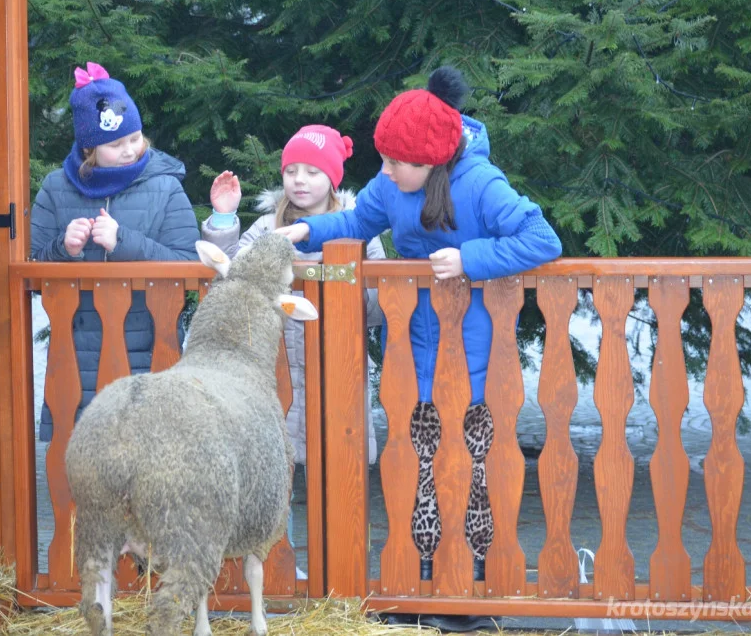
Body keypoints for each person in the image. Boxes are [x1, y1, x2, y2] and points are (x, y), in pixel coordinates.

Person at [276, 67, 562, 630]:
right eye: (382, 161)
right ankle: (423, 579)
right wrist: (309, 232)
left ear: (430, 160)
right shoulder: (391, 185)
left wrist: (471, 260)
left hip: (477, 356)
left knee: (473, 466)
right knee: (421, 465)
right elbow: (359, 219)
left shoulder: (480, 183)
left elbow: (542, 238)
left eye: (394, 162)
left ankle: (471, 593)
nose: (383, 172)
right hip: (414, 354)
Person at [201, 125, 386, 577]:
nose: (300, 181)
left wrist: (342, 280)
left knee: (341, 463)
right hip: (279, 365)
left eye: (312, 171)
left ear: (333, 179)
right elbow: (229, 277)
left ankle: (345, 564)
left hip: (340, 365)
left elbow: (380, 301)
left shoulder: (360, 225)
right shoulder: (268, 227)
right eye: (291, 171)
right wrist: (224, 220)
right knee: (276, 466)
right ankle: (280, 564)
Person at [30, 62, 200, 442]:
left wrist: (123, 242)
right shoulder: (56, 188)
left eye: (135, 138)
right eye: (115, 144)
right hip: (76, 355)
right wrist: (64, 248)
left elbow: (190, 266)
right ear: (89, 147)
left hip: (151, 352)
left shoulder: (166, 187)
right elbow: (31, 270)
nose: (128, 151)